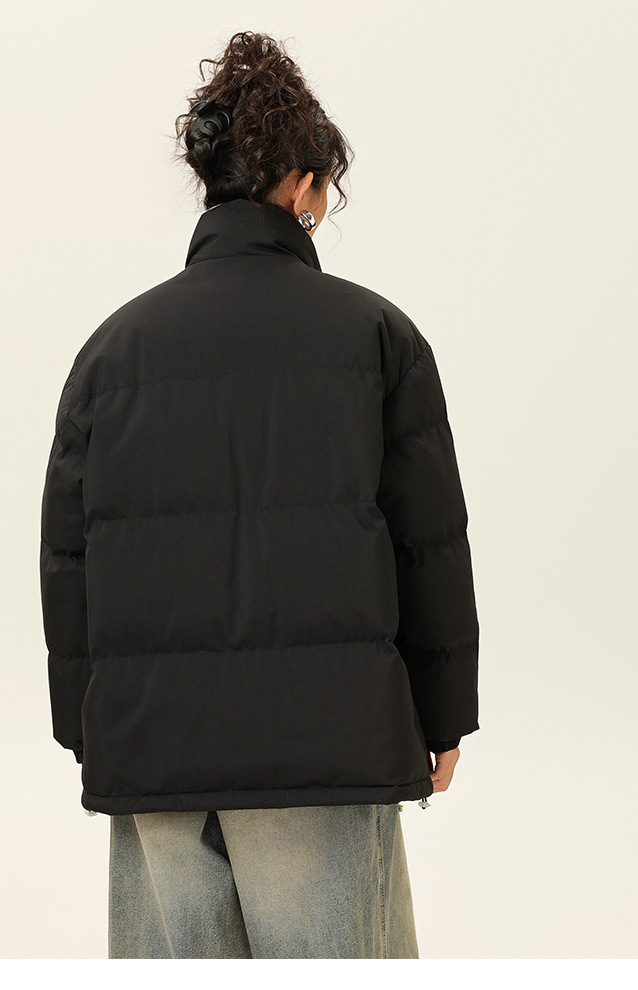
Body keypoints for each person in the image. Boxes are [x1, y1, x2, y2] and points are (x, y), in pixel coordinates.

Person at [39, 30, 479, 960]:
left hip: (153, 748)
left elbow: (69, 555)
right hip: (327, 751)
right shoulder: (377, 338)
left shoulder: (110, 354)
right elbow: (427, 541)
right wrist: (443, 713)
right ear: (303, 184)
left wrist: (86, 722)